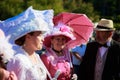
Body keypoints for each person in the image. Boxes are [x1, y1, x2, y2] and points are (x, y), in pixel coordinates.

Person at [5, 6, 54, 80]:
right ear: (28, 37)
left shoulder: (36, 56)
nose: (43, 39)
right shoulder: (18, 60)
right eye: (39, 35)